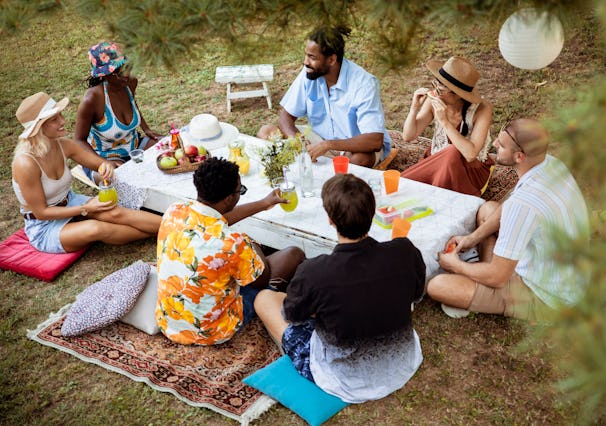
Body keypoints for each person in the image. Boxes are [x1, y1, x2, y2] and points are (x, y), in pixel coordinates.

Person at [254, 174, 425, 403]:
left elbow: (293, 316)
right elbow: (416, 294)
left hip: (344, 380)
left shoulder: (314, 272)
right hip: (402, 362)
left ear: (330, 220)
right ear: (372, 213)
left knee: (264, 298)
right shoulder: (405, 251)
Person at [427, 119, 589, 322]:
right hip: (560, 268)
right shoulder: (551, 164)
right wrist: (472, 238)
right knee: (488, 210)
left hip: (547, 295)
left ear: (519, 156)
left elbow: (498, 276)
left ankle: (486, 286)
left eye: (501, 146)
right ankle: (483, 273)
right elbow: (509, 206)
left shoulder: (522, 206)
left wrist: (455, 266)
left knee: (438, 285)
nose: (494, 144)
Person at [155, 157, 305, 345]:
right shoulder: (232, 242)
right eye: (240, 191)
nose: (239, 194)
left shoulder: (174, 211)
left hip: (170, 323)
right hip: (214, 330)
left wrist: (264, 203)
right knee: (293, 254)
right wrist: (251, 244)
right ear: (229, 199)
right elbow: (261, 280)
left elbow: (216, 218)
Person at [11, 92, 161, 254]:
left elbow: (99, 164)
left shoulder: (63, 145)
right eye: (54, 119)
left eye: (60, 115)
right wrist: (85, 209)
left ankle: (180, 225)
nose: (63, 121)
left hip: (71, 202)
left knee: (115, 212)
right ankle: (171, 232)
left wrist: (105, 167)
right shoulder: (25, 163)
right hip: (44, 226)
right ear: (38, 128)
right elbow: (41, 213)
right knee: (95, 228)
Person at [257, 26, 392, 168]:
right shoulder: (310, 72)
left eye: (312, 57)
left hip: (353, 144)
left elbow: (374, 141)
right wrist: (296, 140)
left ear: (332, 60)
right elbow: (286, 115)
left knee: (359, 160)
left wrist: (328, 145)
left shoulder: (364, 84)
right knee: (266, 132)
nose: (305, 62)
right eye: (306, 55)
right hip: (319, 138)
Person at [401, 56, 494, 196]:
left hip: (469, 170)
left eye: (441, 88)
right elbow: (408, 136)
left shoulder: (482, 109)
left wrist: (444, 122)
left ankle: (433, 196)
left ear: (458, 94)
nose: (436, 90)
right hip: (438, 159)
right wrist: (414, 108)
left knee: (451, 152)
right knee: (404, 186)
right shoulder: (434, 101)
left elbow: (470, 154)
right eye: (436, 83)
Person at [75, 41, 160, 183]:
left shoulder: (129, 82)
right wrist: (102, 163)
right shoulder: (92, 99)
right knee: (119, 178)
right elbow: (78, 141)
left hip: (133, 145)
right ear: (104, 75)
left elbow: (132, 104)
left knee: (169, 146)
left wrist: (146, 128)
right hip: (105, 155)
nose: (126, 74)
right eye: (119, 72)